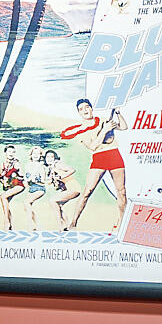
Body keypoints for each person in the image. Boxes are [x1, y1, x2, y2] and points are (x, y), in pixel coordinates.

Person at [59, 97, 127, 230]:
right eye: (81, 109)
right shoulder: (80, 130)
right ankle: (73, 223)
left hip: (114, 155)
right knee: (87, 192)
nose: (85, 110)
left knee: (122, 191)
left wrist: (118, 114)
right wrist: (105, 130)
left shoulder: (103, 120)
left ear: (91, 108)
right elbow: (93, 146)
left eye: (87, 107)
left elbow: (124, 127)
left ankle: (121, 223)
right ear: (79, 113)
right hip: (99, 158)